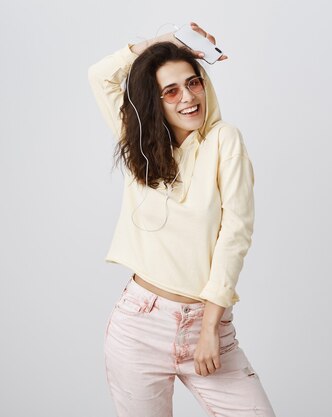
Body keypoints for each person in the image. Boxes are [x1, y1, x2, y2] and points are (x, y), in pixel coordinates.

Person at [88, 21, 276, 417]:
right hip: (138, 324)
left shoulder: (225, 141)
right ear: (154, 101)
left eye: (193, 83)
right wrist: (161, 42)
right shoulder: (138, 139)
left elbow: (235, 234)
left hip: (206, 324)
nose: (188, 97)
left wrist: (209, 327)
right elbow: (100, 75)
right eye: (170, 91)